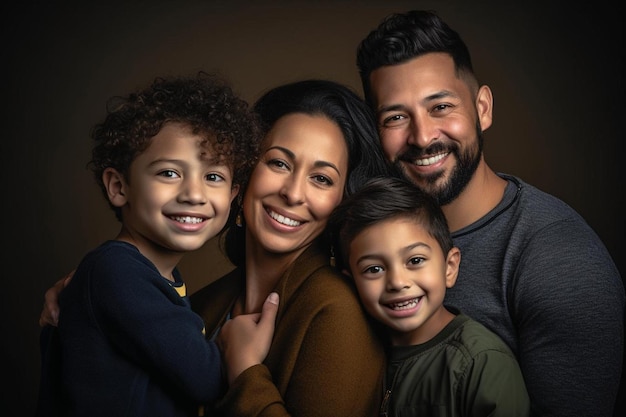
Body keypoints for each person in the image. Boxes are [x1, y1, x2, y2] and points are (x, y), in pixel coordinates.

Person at [39, 79, 393, 416]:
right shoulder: (200, 303)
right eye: (278, 163)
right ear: (244, 173)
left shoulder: (338, 310)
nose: (293, 193)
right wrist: (85, 295)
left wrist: (246, 373)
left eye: (321, 178)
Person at [356, 9, 625, 417]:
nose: (423, 136)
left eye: (441, 106)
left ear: (482, 108)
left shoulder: (560, 261)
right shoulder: (363, 235)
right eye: (395, 117)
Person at [36, 73, 279, 417]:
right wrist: (237, 346)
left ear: (232, 195)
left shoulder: (141, 275)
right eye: (169, 173)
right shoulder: (116, 271)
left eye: (213, 177)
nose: (194, 194)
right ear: (119, 187)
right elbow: (205, 380)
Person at [329, 175, 530, 416]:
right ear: (351, 283)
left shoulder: (482, 363)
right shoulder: (357, 350)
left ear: (449, 267)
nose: (397, 282)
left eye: (415, 260)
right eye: (374, 269)